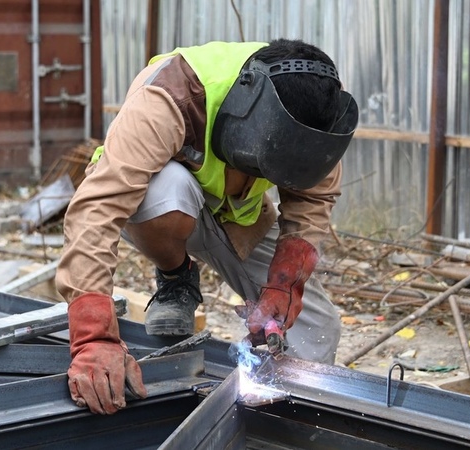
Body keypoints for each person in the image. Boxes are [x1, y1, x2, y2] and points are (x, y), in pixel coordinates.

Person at [55, 38, 358, 414]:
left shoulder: (318, 120)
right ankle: (176, 277)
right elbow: (98, 208)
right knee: (168, 188)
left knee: (317, 326)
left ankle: (290, 421)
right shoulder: (170, 96)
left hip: (239, 216)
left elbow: (312, 203)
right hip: (164, 205)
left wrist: (284, 284)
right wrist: (93, 338)